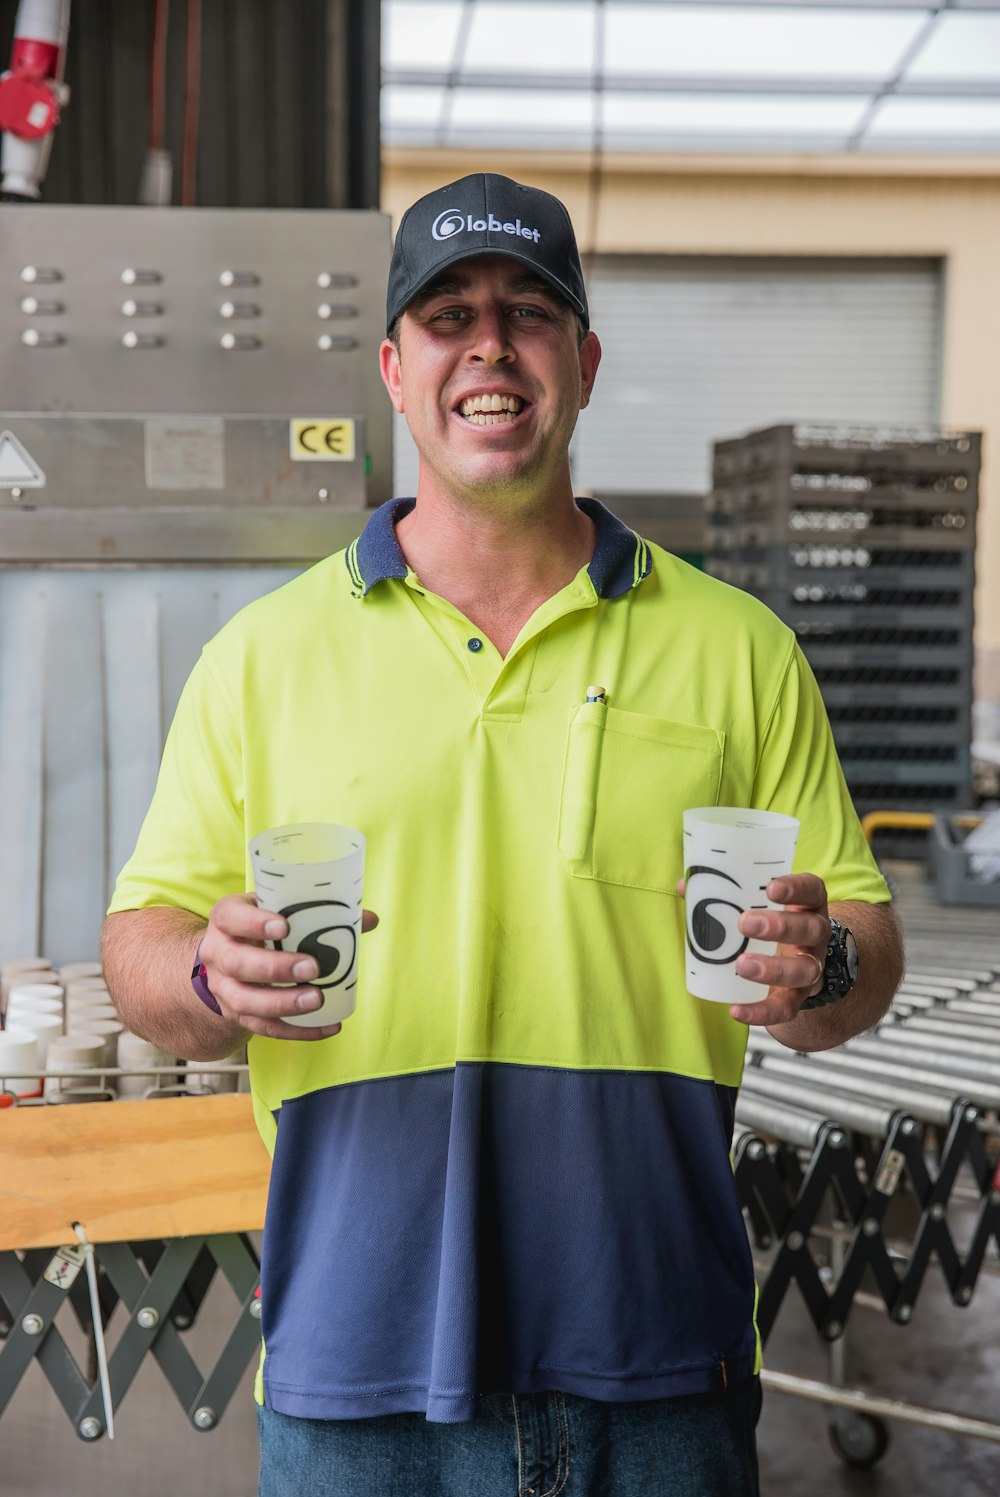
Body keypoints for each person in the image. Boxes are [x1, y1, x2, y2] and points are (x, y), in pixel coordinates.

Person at [102, 173, 903, 1497]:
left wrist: (817, 966)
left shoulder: (735, 648)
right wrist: (205, 978)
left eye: (531, 313)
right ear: (393, 370)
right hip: (358, 1375)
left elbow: (862, 950)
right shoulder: (264, 658)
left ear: (582, 365)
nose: (490, 344)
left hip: (656, 1355)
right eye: (449, 314)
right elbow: (140, 940)